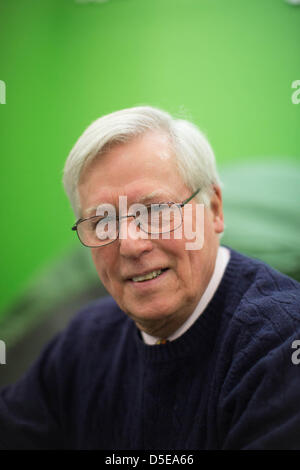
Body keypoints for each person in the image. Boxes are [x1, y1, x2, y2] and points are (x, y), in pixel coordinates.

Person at [0, 106, 300, 450]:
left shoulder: (281, 343)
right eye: (102, 222)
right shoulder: (82, 342)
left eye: (156, 211)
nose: (129, 244)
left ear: (214, 209)